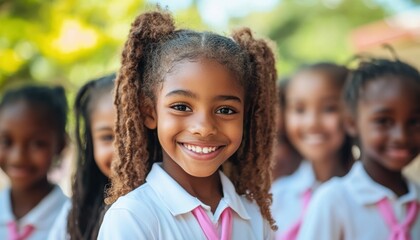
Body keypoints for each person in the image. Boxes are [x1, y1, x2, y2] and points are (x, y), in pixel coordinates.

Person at [98, 9, 277, 240]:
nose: (203, 127)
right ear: (150, 112)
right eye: (181, 107)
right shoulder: (133, 216)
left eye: (225, 110)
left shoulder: (254, 216)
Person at [298, 58, 420, 240]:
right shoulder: (334, 200)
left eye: (414, 122)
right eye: (383, 121)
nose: (401, 136)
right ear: (351, 122)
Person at [273, 62, 354, 240]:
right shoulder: (277, 196)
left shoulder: (368, 195)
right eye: (299, 110)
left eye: (329, 109)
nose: (312, 123)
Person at [48, 74, 116, 240]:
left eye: (134, 132)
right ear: (91, 142)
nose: (121, 149)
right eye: (107, 137)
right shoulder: (76, 214)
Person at [0, 85, 68, 240]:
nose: (18, 157)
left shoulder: (73, 220)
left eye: (38, 143)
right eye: (6, 141)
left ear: (60, 145)